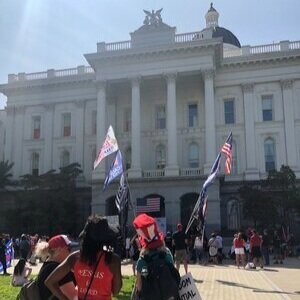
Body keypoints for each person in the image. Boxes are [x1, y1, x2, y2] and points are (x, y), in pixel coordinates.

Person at [45, 215, 122, 300]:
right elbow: (116, 291)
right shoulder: (113, 260)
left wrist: (64, 298)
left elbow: (49, 282)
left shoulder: (75, 257)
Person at [133, 214, 177, 299]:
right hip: (167, 294)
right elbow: (173, 274)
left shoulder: (142, 259)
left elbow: (139, 285)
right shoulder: (166, 253)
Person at [35, 234, 77, 300]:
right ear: (59, 249)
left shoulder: (46, 267)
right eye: (69, 249)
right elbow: (74, 297)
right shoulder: (59, 270)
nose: (71, 252)